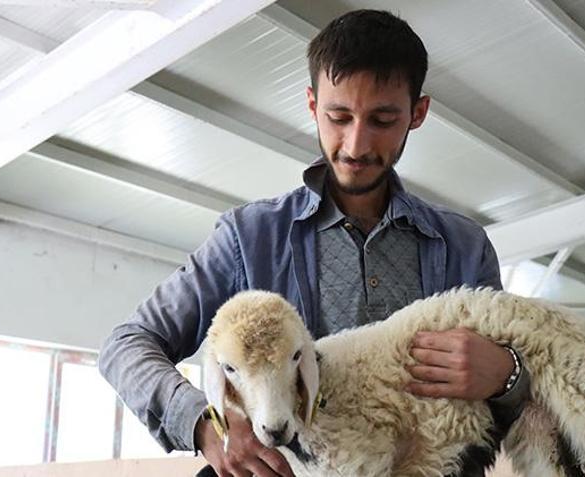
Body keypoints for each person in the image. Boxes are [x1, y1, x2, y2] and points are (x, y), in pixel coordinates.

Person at [99, 9, 530, 477]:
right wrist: (207, 425)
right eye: (338, 116)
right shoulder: (249, 237)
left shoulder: (464, 247)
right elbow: (127, 344)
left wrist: (504, 374)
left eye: (383, 119)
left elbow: (515, 408)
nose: (356, 144)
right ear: (311, 105)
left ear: (418, 113)